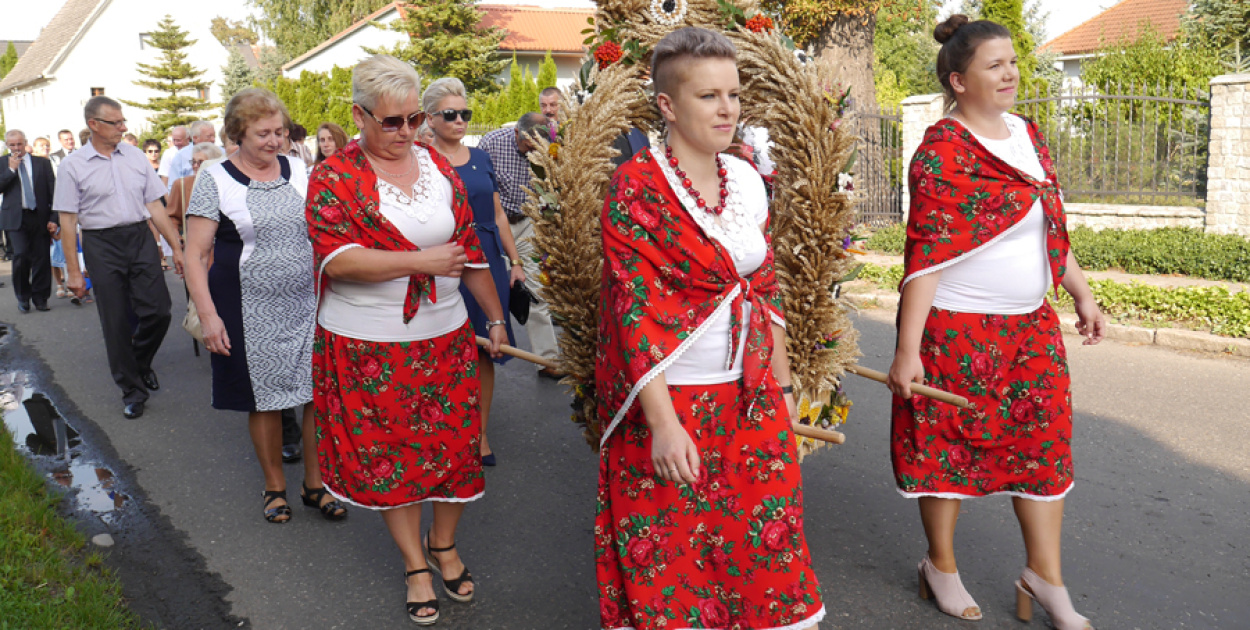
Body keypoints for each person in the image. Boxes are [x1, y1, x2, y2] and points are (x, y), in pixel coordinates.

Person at [595, 27, 824, 630]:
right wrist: (663, 425)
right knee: (679, 571)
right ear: (668, 106)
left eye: (734, 94)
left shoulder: (745, 177)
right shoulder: (635, 187)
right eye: (708, 96)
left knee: (765, 557)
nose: (727, 109)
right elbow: (632, 312)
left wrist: (783, 386)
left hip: (749, 396)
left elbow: (764, 286)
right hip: (673, 401)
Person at [886, 16, 1103, 629]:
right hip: (957, 332)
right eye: (994, 65)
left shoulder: (1028, 135)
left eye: (1012, 63)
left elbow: (1049, 227)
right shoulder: (940, 154)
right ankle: (941, 565)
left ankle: (1045, 578)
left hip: (1031, 329)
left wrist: (1081, 293)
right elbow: (927, 257)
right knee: (946, 448)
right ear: (959, 81)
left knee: (1043, 449)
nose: (1010, 74)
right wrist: (907, 350)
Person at [307, 54, 506, 625]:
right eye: (391, 121)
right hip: (368, 345)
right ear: (359, 115)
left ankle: (443, 544)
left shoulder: (436, 165)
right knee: (393, 456)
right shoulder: (333, 176)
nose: (406, 132)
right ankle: (415, 562)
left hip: (445, 335)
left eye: (415, 119)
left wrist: (493, 321)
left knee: (456, 447)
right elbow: (338, 258)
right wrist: (421, 261)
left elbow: (467, 250)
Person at [182, 88, 346, 525]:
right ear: (237, 133)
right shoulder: (215, 178)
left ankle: (315, 485)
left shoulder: (299, 169)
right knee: (265, 399)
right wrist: (209, 316)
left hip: (307, 302)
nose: (275, 141)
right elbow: (194, 255)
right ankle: (275, 487)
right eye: (264, 134)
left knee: (315, 393)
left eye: (280, 132)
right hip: (245, 306)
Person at [55, 96, 185, 419]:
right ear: (93, 125)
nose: (123, 127)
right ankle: (132, 390)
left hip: (139, 237)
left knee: (159, 311)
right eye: (115, 122)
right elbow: (68, 221)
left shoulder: (136, 156)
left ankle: (138, 363)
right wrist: (74, 271)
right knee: (115, 321)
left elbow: (155, 205)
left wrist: (177, 247)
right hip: (101, 243)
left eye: (123, 121)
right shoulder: (73, 165)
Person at [423, 77, 526, 467]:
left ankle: (480, 434)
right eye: (450, 114)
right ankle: (442, 427)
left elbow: (498, 214)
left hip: (488, 258)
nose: (460, 121)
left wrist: (515, 263)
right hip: (444, 259)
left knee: (485, 349)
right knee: (441, 348)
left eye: (464, 113)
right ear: (430, 119)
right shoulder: (421, 160)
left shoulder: (482, 156)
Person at [478, 112, 561, 378]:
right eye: (527, 145)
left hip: (526, 222)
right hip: (495, 222)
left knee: (536, 290)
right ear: (516, 133)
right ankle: (477, 352)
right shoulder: (492, 143)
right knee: (488, 287)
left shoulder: (549, 147)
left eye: (537, 145)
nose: (531, 150)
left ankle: (547, 359)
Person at [0, 130, 58, 312]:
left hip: (39, 216)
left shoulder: (42, 163)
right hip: (16, 218)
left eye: (19, 144)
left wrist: (54, 218)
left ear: (25, 143)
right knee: (21, 256)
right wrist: (11, 170)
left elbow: (53, 191)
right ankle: (23, 297)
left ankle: (40, 298)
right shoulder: (2, 163)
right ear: (7, 146)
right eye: (12, 145)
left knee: (41, 258)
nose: (16, 148)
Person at [165, 143, 224, 237]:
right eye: (193, 162)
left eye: (200, 162)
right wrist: (177, 238)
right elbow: (171, 217)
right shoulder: (181, 184)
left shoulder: (224, 184)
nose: (195, 166)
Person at [167, 121, 216, 188]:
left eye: (214, 136)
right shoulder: (181, 156)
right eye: (209, 136)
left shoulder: (222, 153)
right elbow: (173, 186)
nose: (213, 139)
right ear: (195, 138)